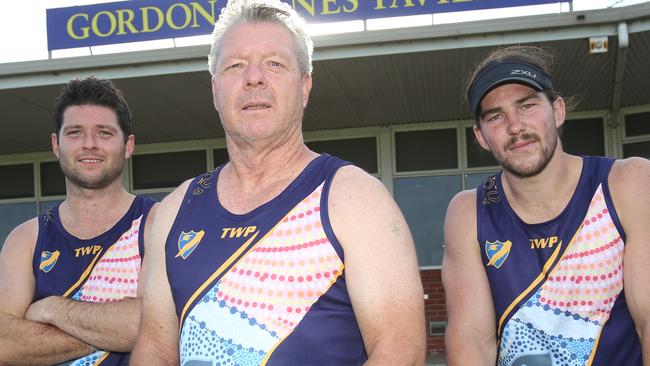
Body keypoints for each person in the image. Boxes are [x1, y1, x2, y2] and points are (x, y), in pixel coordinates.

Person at [131, 0, 425, 364]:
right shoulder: (175, 210)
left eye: (275, 64)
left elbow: (400, 351)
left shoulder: (355, 199)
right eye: (235, 65)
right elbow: (155, 350)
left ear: (304, 87)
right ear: (214, 91)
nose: (254, 78)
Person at [442, 45, 650, 365]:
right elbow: (472, 336)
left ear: (557, 111)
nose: (515, 126)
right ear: (481, 137)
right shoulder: (469, 212)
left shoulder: (627, 183)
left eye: (526, 106)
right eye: (496, 116)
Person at [0, 76, 157, 365]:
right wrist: (112, 326)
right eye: (74, 132)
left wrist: (52, 310)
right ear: (56, 144)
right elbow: (4, 344)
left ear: (128, 145)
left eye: (104, 133)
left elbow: (154, 322)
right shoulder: (27, 239)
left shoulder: (157, 223)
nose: (89, 144)